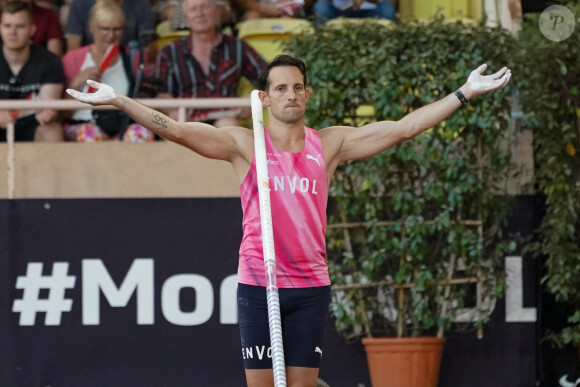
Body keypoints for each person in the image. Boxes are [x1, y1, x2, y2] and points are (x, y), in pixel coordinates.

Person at [66, 54, 511, 386]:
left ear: (307, 94)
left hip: (310, 287)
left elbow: (402, 129)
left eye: (297, 87)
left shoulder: (330, 145)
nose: (291, 95)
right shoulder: (243, 145)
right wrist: (122, 101)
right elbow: (177, 130)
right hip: (260, 285)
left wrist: (463, 93)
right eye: (280, 88)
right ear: (264, 97)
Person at [155, 0, 266, 127]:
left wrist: (252, 101)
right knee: (174, 126)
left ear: (217, 11)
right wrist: (172, 111)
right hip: (185, 120)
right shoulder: (170, 52)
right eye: (193, 9)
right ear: (186, 17)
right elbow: (163, 93)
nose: (199, 13)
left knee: (228, 125)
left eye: (205, 7)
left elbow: (270, 79)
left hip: (225, 117)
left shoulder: (237, 47)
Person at [61, 0, 154, 142]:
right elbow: (62, 112)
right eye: (105, 29)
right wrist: (77, 82)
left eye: (117, 29)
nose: (111, 35)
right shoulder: (73, 58)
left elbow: (147, 100)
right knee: (92, 136)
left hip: (123, 124)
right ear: (91, 27)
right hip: (83, 123)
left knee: (141, 134)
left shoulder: (134, 58)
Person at [0, 0, 65, 142]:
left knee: (52, 130)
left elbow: (48, 104)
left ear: (32, 29)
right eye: (7, 26)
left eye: (20, 26)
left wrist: (48, 112)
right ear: (0, 28)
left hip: (33, 123)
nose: (13, 32)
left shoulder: (50, 61)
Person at [65, 0, 154, 51]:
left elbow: (149, 48)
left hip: (129, 63)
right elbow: (73, 48)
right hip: (89, 63)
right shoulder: (79, 4)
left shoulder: (141, 4)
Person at [312, 0, 396, 27]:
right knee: (321, 6)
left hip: (371, 11)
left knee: (387, 7)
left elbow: (391, 2)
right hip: (339, 11)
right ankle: (322, 39)